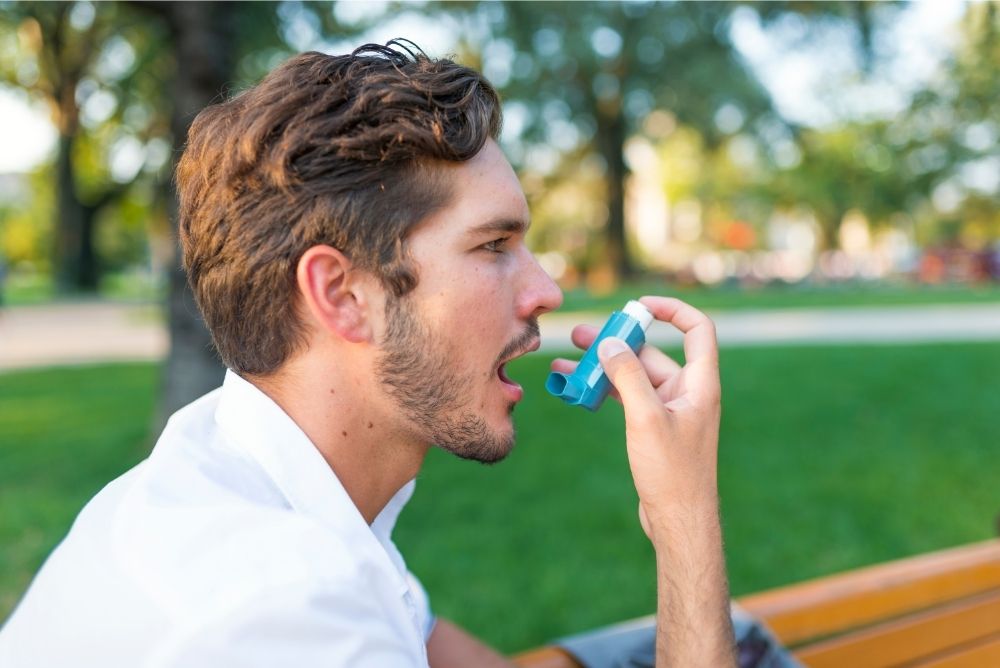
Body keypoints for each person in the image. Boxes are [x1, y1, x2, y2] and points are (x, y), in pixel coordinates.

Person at [0, 41, 734, 667]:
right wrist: (685, 518)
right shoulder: (281, 611)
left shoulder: (239, 468)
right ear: (343, 294)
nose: (545, 288)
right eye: (494, 246)